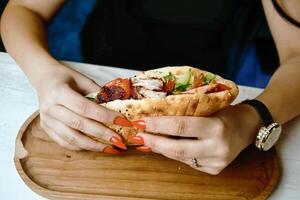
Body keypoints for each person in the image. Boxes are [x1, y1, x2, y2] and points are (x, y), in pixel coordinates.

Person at [1, 0, 300, 175]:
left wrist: (252, 118)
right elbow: (24, 8)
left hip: (213, 73)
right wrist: (45, 75)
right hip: (103, 58)